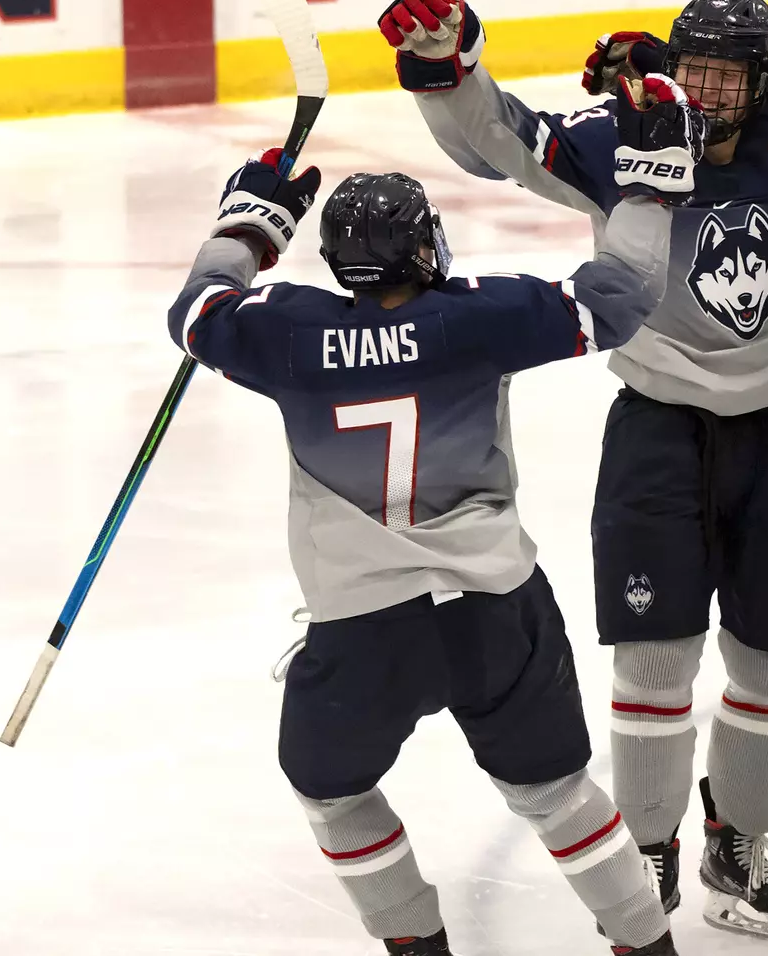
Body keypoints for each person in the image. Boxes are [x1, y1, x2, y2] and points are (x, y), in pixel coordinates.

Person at [163, 72, 705, 956]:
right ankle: (648, 947)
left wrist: (246, 228)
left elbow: (197, 313)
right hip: (496, 610)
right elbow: (620, 299)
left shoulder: (287, 334)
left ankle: (419, 950)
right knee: (559, 795)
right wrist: (645, 187)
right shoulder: (480, 319)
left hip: (359, 630)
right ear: (426, 251)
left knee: (335, 795)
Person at [378, 0, 768, 943]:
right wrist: (445, 69)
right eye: (696, 70)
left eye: (730, 74)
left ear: (765, 77)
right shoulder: (630, 130)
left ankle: (740, 841)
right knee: (653, 654)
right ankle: (651, 846)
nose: (709, 94)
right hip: (659, 426)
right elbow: (498, 142)